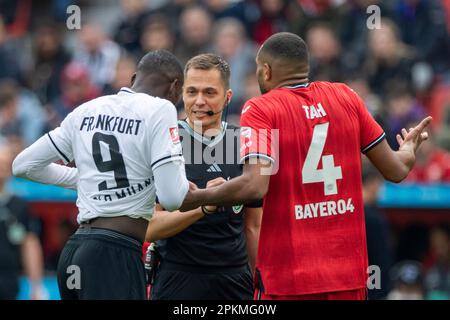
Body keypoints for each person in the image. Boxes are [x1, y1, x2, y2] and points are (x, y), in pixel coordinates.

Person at [182, 32, 432, 300]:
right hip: (347, 275)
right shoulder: (346, 96)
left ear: (266, 71)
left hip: (290, 277)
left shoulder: (261, 109)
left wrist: (198, 197)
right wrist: (407, 148)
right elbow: (396, 170)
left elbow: (255, 186)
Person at [11, 49, 190, 300]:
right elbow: (172, 199)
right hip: (114, 254)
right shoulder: (161, 109)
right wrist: (208, 197)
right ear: (175, 88)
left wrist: (84, 180)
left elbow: (24, 165)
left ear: (134, 78)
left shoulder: (87, 109)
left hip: (75, 251)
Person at [147, 53, 262, 300]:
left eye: (209, 93)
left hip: (235, 278)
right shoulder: (164, 140)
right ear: (181, 94)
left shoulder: (246, 140)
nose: (199, 101)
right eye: (192, 92)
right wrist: (205, 206)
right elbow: (150, 227)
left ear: (227, 96)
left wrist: (258, 281)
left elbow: (253, 225)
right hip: (178, 277)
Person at [0, 141, 45, 300]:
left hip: (9, 282)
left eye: (6, 164)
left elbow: (30, 244)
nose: (3, 169)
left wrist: (36, 287)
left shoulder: (19, 205)